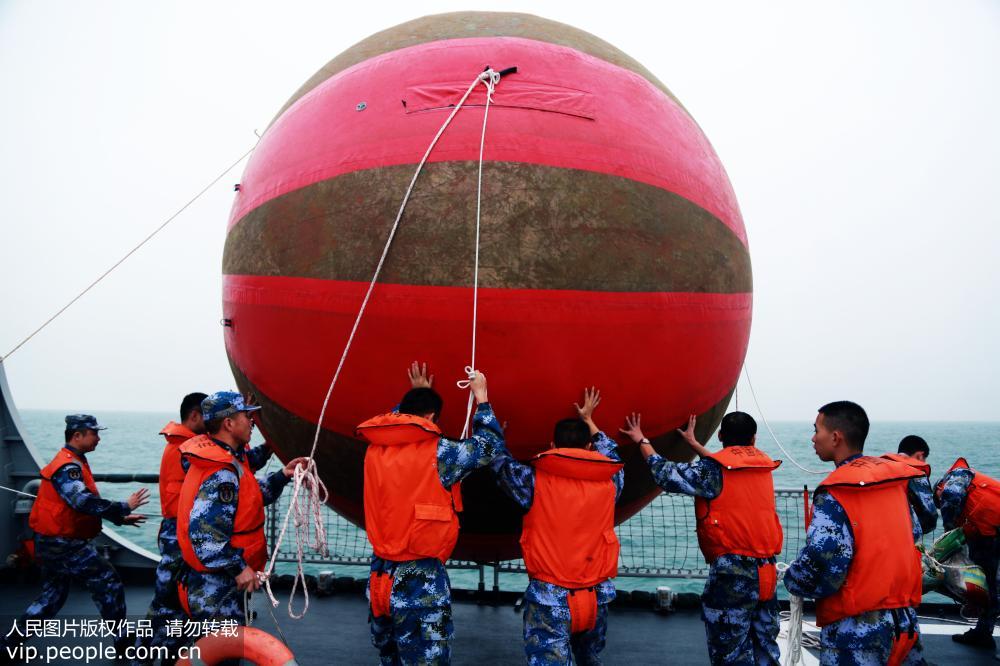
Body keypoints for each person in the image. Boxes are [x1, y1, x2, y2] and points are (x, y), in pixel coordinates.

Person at [355, 362, 504, 665]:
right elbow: (488, 446)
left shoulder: (375, 451)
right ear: (431, 418)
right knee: (429, 657)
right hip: (420, 579)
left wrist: (416, 395)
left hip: (380, 575)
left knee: (390, 656)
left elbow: (395, 427)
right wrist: (482, 398)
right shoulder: (439, 453)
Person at [624, 410, 782, 665]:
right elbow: (724, 469)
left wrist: (641, 439)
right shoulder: (761, 464)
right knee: (765, 646)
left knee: (730, 650)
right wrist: (694, 444)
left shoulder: (712, 472)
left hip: (732, 574)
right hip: (767, 571)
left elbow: (666, 474)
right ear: (754, 439)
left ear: (720, 436)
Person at [783, 401, 926, 665]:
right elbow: (914, 536)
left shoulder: (836, 492)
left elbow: (826, 562)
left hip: (856, 629)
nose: (813, 439)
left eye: (816, 430)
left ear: (836, 437)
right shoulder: (895, 483)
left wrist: (793, 580)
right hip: (904, 621)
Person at [491, 387, 624, 665]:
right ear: (589, 447)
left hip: (550, 597)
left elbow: (501, 465)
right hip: (596, 596)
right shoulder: (611, 482)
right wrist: (589, 419)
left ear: (552, 446)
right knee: (590, 658)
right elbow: (611, 452)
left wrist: (498, 436)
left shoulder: (534, 483)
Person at [3, 415, 149, 655]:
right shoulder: (69, 466)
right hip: (63, 544)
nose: (98, 438)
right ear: (77, 435)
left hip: (52, 540)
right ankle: (123, 643)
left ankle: (8, 645)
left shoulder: (72, 461)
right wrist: (123, 506)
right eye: (94, 433)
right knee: (107, 581)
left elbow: (73, 506)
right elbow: (80, 501)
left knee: (52, 598)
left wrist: (117, 519)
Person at [174, 392, 305, 629]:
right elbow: (205, 536)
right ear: (229, 423)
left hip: (219, 581)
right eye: (246, 415)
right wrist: (240, 568)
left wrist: (282, 476)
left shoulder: (229, 459)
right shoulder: (221, 473)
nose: (252, 421)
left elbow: (247, 501)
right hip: (215, 587)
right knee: (221, 654)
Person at [934, 456, 1000, 649]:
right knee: (992, 586)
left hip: (990, 533)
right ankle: (983, 632)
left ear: (938, 488)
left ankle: (983, 632)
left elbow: (951, 496)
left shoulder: (955, 476)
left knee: (988, 586)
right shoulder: (972, 483)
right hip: (991, 530)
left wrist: (949, 532)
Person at [881, 435, 938, 533]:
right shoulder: (915, 474)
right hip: (900, 537)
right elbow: (930, 520)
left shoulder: (879, 467)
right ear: (920, 455)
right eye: (924, 459)